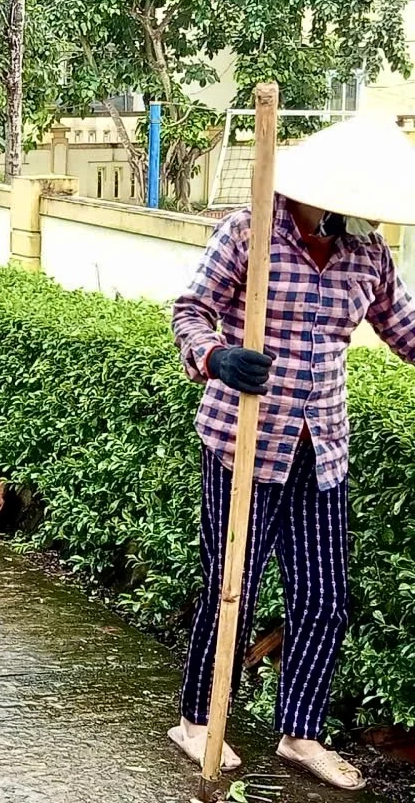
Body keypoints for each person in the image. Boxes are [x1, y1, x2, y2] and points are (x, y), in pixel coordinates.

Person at [169, 114, 415, 792]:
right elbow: (190, 308)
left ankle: (299, 731)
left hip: (322, 450)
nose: (359, 217)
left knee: (324, 599)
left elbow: (407, 331)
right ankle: (196, 720)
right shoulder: (251, 228)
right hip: (242, 444)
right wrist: (215, 355)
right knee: (233, 590)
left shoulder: (369, 254)